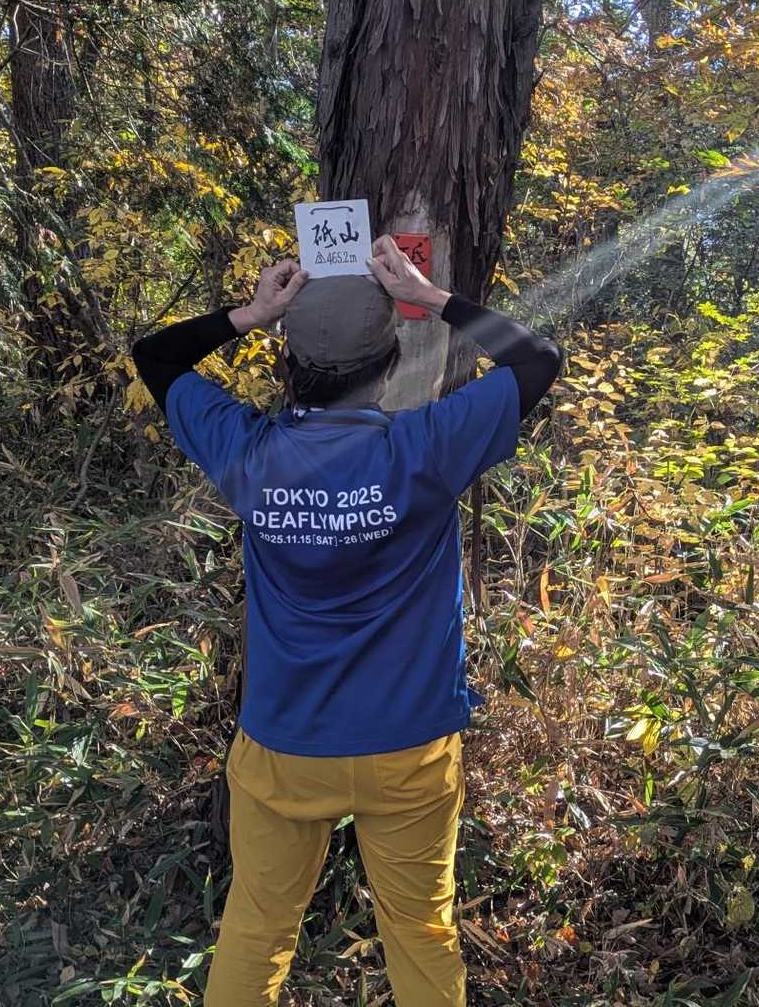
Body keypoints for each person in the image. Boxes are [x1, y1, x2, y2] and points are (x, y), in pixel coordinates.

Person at [131, 236, 563, 1007]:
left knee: (258, 925)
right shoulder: (424, 449)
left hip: (285, 745)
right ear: (390, 362)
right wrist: (430, 297)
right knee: (421, 930)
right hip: (408, 745)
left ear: (288, 363)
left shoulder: (250, 454)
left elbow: (155, 358)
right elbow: (538, 361)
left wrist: (249, 314)